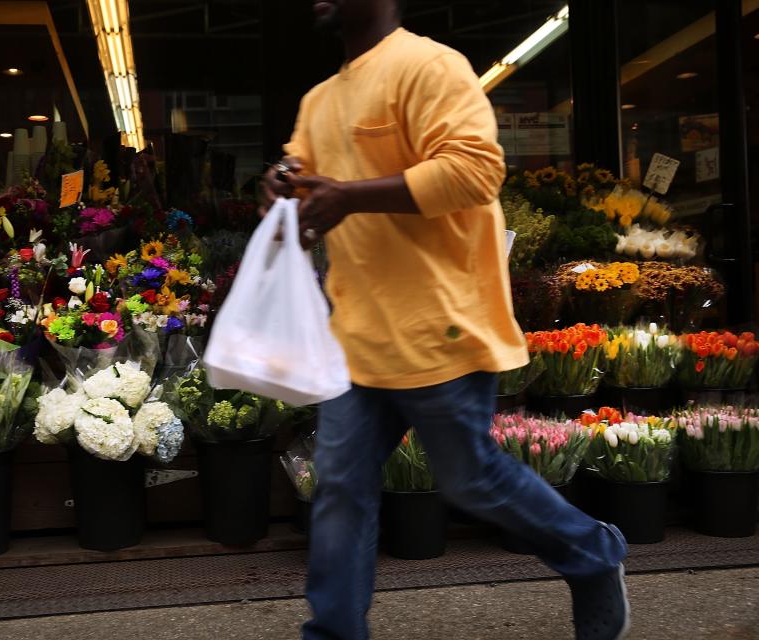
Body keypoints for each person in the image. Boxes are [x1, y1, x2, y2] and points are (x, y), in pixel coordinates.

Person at [261, 2, 631, 639]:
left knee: (472, 481)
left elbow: (476, 171)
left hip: (441, 328)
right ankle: (333, 632)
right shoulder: (319, 100)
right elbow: (297, 167)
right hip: (355, 337)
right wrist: (280, 181)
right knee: (340, 490)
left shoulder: (429, 65)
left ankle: (592, 553)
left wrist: (351, 195)